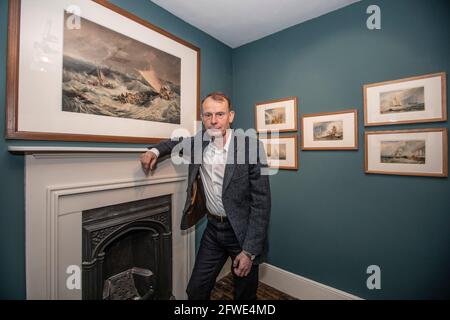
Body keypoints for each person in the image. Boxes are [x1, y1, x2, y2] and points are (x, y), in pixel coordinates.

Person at [140, 92, 271, 300]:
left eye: (220, 114)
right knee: (196, 290)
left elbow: (262, 204)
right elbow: (173, 143)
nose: (214, 121)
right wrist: (154, 151)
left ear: (231, 116)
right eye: (208, 114)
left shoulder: (252, 147)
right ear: (202, 117)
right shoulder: (198, 143)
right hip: (213, 230)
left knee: (245, 295)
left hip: (242, 233)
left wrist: (249, 252)